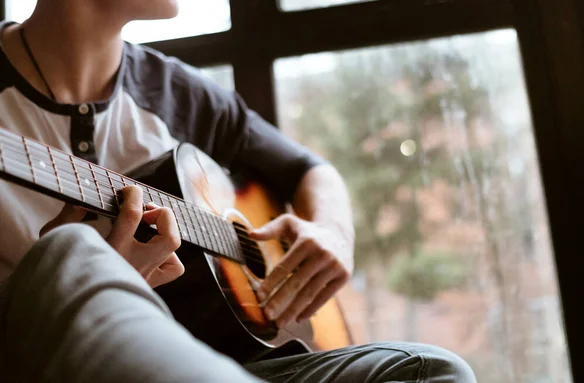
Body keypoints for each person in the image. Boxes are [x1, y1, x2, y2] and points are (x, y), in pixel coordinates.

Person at [0, 1, 478, 382]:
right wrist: (70, 285)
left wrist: (332, 232)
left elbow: (309, 169)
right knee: (70, 251)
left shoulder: (176, 92)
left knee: (431, 372)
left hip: (235, 361)